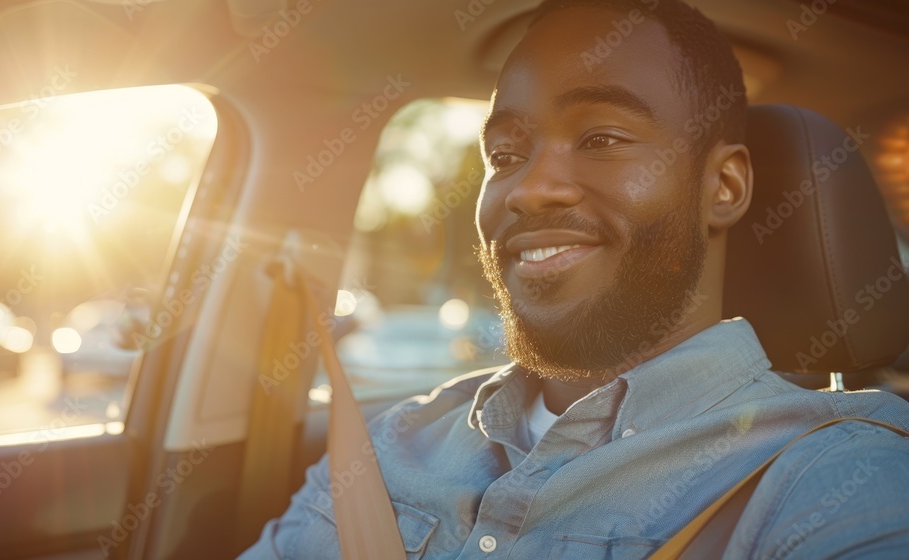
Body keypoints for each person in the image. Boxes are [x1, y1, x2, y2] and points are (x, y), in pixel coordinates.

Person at [242, 0, 909, 557]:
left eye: (602, 139)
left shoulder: (838, 483)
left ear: (725, 186)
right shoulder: (391, 444)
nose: (529, 189)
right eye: (505, 154)